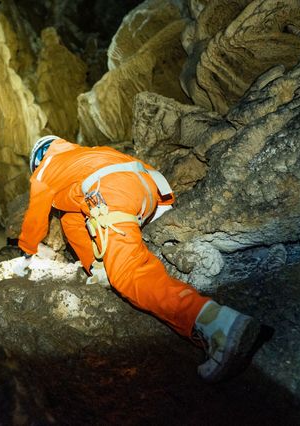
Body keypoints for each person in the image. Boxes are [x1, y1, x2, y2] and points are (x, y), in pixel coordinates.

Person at [14, 135, 261, 383]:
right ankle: (199, 327)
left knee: (128, 274)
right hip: (147, 189)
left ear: (38, 159)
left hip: (111, 191)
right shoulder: (87, 154)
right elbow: (74, 224)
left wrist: (26, 251)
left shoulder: (47, 166)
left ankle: (217, 323)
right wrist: (97, 267)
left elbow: (35, 216)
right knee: (104, 248)